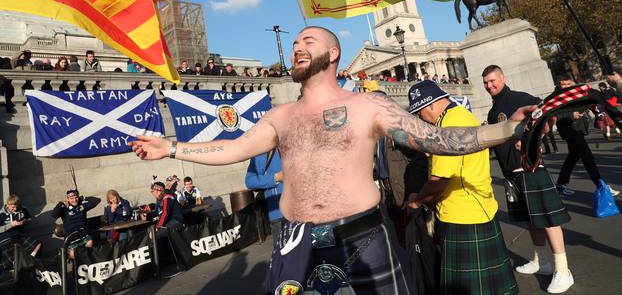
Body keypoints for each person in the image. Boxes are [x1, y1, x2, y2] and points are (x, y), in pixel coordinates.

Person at [131, 26, 534, 295]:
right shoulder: (280, 116)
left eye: (308, 41)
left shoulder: (368, 105)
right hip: (295, 240)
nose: (297, 47)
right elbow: (232, 149)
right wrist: (171, 148)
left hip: (363, 236)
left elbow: (440, 139)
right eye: (294, 44)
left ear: (333, 53)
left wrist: (506, 129)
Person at [408, 80, 517, 294]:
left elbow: (440, 180)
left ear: (429, 105)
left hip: (461, 214)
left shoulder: (448, 127)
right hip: (480, 206)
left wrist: (416, 201)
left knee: (468, 288)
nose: (420, 118)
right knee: (490, 287)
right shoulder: (463, 115)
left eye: (419, 113)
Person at [483, 65, 574, 294]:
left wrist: (533, 139)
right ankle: (541, 261)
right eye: (485, 82)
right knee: (531, 219)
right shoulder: (493, 111)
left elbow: (548, 115)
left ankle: (563, 270)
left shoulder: (520, 98)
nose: (489, 86)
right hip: (511, 173)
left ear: (503, 77)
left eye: (492, 80)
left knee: (549, 219)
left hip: (530, 168)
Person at [554, 75, 617, 196]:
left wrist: (597, 110)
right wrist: (570, 116)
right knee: (587, 157)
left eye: (568, 83)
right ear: (559, 85)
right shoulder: (556, 97)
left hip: (578, 129)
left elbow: (590, 102)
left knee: (573, 156)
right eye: (563, 84)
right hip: (569, 130)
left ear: (573, 83)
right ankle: (602, 186)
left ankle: (561, 183)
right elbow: (555, 115)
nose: (566, 86)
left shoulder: (577, 92)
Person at [245, 149, 284, 242]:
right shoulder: (264, 151)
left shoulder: (300, 144)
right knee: (284, 254)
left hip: (308, 212)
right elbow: (250, 181)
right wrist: (276, 177)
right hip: (280, 215)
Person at [0, 194, 41, 276]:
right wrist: (11, 225)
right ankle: (14, 268)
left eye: (16, 206)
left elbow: (29, 219)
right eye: (12, 207)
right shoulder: (1, 214)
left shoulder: (23, 209)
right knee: (7, 258)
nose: (15, 209)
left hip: (20, 235)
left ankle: (30, 259)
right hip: (5, 238)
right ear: (7, 205)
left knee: (38, 244)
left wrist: (24, 222)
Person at [52, 189, 100, 258]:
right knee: (72, 254)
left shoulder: (82, 206)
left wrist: (83, 198)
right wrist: (60, 203)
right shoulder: (65, 208)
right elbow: (54, 215)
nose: (74, 200)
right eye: (71, 198)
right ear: (68, 199)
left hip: (83, 232)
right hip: (71, 234)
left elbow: (97, 200)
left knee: (90, 241)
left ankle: (85, 259)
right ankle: (79, 261)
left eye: (76, 197)